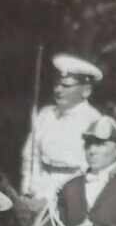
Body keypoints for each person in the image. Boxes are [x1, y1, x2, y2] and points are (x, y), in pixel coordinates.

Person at [20, 54, 104, 205]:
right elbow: (30, 156)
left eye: (66, 86)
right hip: (40, 189)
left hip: (75, 192)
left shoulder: (94, 121)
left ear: (86, 91)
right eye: (57, 85)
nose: (58, 90)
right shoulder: (45, 115)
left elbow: (97, 167)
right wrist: (28, 186)